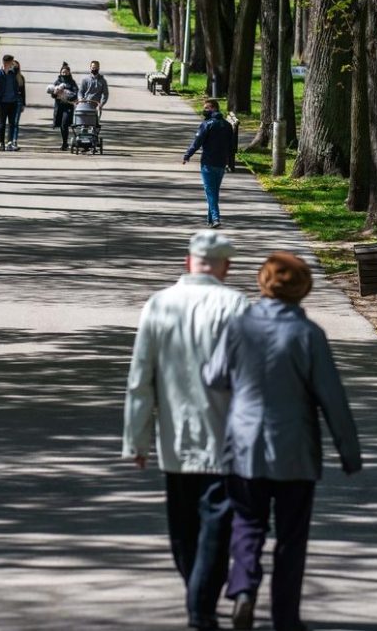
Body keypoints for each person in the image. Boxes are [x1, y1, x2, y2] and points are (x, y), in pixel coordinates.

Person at [202, 252, 362, 631]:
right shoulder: (308, 335)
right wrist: (349, 452)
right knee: (291, 536)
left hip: (244, 447)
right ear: (302, 290)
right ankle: (285, 618)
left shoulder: (238, 327)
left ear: (263, 283)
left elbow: (213, 376)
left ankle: (243, 589)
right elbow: (332, 398)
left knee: (247, 523)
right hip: (294, 450)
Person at [123, 231, 250, 631]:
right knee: (218, 521)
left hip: (175, 438)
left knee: (182, 526)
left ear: (187, 261)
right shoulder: (237, 305)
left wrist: (136, 440)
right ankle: (201, 606)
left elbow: (140, 379)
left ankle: (198, 599)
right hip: (225, 437)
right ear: (226, 268)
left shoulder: (159, 305)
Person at [182, 100, 234, 229]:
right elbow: (231, 146)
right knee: (214, 191)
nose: (204, 110)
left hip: (208, 163)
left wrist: (187, 155)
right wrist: (230, 162)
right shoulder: (227, 125)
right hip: (221, 163)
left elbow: (197, 141)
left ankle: (216, 218)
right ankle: (210, 220)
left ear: (213, 108)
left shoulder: (207, 124)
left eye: (207, 108)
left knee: (210, 192)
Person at [0, 54, 20, 151]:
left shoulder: (13, 72)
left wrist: (17, 97)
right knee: (2, 122)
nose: (13, 64)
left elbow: (16, 82)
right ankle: (2, 143)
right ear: (7, 63)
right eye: (11, 63)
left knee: (12, 123)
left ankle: (9, 143)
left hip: (13, 102)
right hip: (3, 102)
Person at [52, 62, 78, 151]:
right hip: (59, 106)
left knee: (65, 123)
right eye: (63, 72)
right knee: (62, 125)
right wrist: (55, 93)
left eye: (66, 72)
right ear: (60, 73)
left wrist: (67, 94)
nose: (64, 74)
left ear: (69, 73)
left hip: (68, 106)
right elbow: (52, 94)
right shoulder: (57, 82)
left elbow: (75, 93)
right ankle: (65, 143)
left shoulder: (72, 82)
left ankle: (65, 143)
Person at [10, 59, 26, 151]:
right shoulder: (7, 76)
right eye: (12, 66)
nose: (14, 67)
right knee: (10, 122)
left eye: (16, 66)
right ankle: (8, 141)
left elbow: (23, 91)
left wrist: (23, 103)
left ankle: (14, 141)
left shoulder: (21, 78)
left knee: (15, 122)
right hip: (9, 101)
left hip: (18, 101)